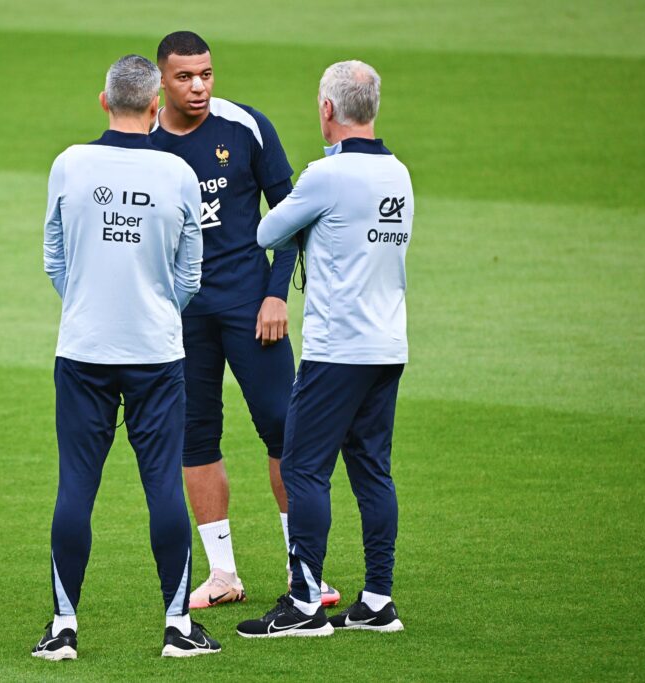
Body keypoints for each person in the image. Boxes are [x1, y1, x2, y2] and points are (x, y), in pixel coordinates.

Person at [33, 54, 221, 660]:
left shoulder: (69, 164)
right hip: (157, 354)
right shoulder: (176, 174)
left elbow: (54, 259)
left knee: (76, 488)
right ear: (154, 108)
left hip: (83, 349)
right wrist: (157, 309)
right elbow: (190, 274)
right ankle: (178, 628)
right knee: (163, 485)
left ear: (103, 101)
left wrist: (89, 304)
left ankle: (63, 628)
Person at [150, 30, 340, 609]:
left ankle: (301, 571)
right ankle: (224, 574)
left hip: (251, 310)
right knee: (195, 439)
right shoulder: (145, 142)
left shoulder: (245, 125)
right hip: (181, 319)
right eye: (185, 77)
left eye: (206, 73)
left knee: (285, 431)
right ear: (162, 79)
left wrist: (276, 295)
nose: (200, 86)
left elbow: (289, 217)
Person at [236, 60, 413, 638]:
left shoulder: (324, 176)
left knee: (303, 467)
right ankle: (378, 599)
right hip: (388, 344)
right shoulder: (399, 174)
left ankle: (306, 604)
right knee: (372, 472)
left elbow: (266, 233)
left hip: (338, 348)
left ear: (328, 110)